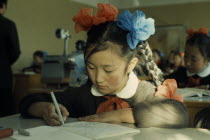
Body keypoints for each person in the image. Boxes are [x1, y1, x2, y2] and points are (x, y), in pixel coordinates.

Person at [19, 3, 188, 128]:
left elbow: (179, 114)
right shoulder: (83, 94)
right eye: (91, 67)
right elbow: (29, 100)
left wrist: (125, 114)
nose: (98, 78)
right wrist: (44, 109)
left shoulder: (142, 93)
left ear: (130, 65)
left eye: (108, 70)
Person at [0, 0, 21, 117]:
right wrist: (5, 64)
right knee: (4, 111)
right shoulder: (8, 24)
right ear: (3, 6)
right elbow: (15, 51)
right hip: (2, 74)